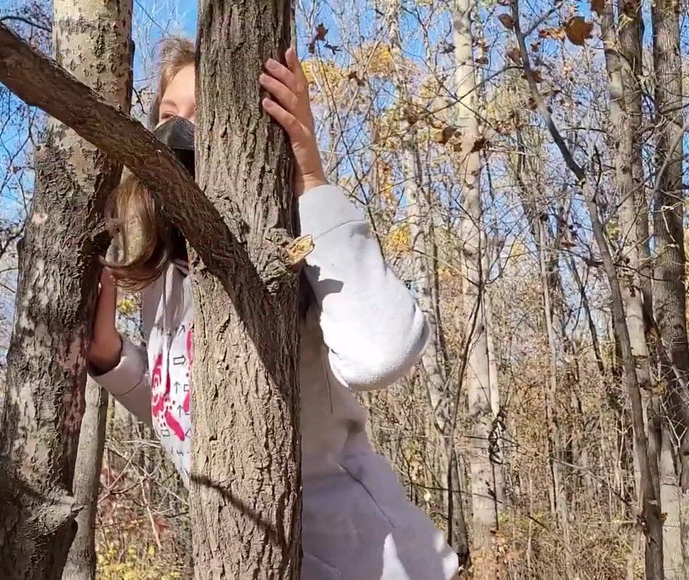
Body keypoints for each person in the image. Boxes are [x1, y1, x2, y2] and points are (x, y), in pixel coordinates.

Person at [87, 37, 460, 580]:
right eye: (168, 115)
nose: (179, 133)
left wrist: (310, 177)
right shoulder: (163, 281)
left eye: (201, 117)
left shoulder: (290, 250)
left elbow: (382, 355)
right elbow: (191, 418)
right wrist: (113, 360)